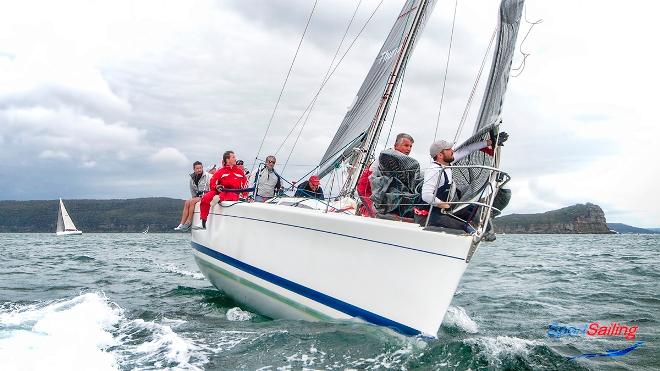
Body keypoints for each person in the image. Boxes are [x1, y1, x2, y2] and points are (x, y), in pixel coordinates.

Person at [420, 133, 508, 233]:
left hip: (448, 211)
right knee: (467, 228)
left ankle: (485, 234)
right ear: (440, 155)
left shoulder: (448, 162)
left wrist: (490, 142)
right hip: (436, 215)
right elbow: (426, 196)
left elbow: (468, 150)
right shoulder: (434, 170)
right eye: (449, 150)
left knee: (478, 215)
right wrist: (445, 205)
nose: (452, 151)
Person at [197, 151, 248, 229]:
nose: (235, 159)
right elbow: (212, 182)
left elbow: (245, 185)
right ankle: (203, 221)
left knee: (229, 195)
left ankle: (218, 198)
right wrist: (216, 187)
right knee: (205, 198)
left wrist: (245, 196)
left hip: (233, 192)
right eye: (233, 157)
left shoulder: (240, 172)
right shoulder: (221, 171)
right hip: (220, 190)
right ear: (227, 160)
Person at [175, 161, 211, 231]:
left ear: (202, 168)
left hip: (206, 195)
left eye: (200, 168)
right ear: (194, 169)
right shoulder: (192, 178)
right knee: (187, 202)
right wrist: (194, 198)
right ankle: (181, 223)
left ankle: (189, 222)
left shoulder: (208, 176)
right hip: (197, 196)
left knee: (192, 201)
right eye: (197, 168)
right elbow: (192, 191)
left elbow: (211, 187)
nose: (199, 170)